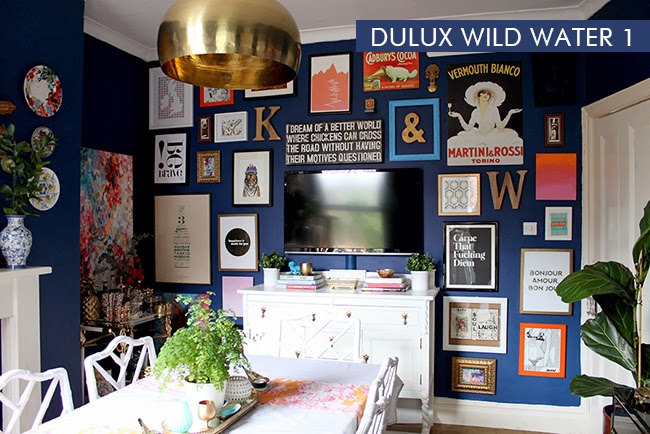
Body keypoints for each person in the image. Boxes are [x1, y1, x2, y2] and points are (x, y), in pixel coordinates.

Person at [448, 81, 522, 148]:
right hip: (478, 135)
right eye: (483, 93)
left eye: (488, 94)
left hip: (493, 135)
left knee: (511, 138)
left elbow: (500, 126)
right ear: (479, 95)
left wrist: (510, 113)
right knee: (457, 139)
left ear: (490, 97)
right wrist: (459, 116)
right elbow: (468, 128)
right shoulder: (475, 112)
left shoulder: (494, 109)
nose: (486, 95)